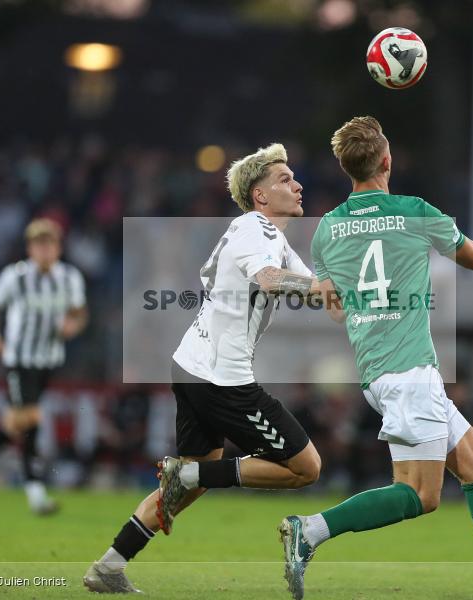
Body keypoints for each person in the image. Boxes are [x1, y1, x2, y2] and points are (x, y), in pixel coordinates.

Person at [280, 116, 473, 600]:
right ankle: (311, 529)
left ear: (347, 168)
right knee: (420, 495)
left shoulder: (328, 230)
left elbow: (336, 308)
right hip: (409, 373)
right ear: (387, 161)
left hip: (380, 370)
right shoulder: (413, 211)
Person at [83, 144, 324, 594]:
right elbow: (270, 280)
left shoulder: (271, 238)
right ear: (260, 196)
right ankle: (187, 475)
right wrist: (321, 288)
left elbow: (317, 292)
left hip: (193, 367)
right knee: (305, 467)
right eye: (285, 179)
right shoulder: (255, 228)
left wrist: (362, 293)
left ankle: (109, 566)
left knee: (191, 484)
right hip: (222, 380)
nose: (297, 185)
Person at [0, 218, 88, 515]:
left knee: (13, 425)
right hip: (18, 360)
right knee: (31, 419)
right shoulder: (16, 276)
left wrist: (72, 326)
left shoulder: (70, 278)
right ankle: (36, 495)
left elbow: (79, 312)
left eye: (49, 244)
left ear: (58, 248)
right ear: (30, 248)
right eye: (39, 244)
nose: (45, 250)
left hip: (48, 361)